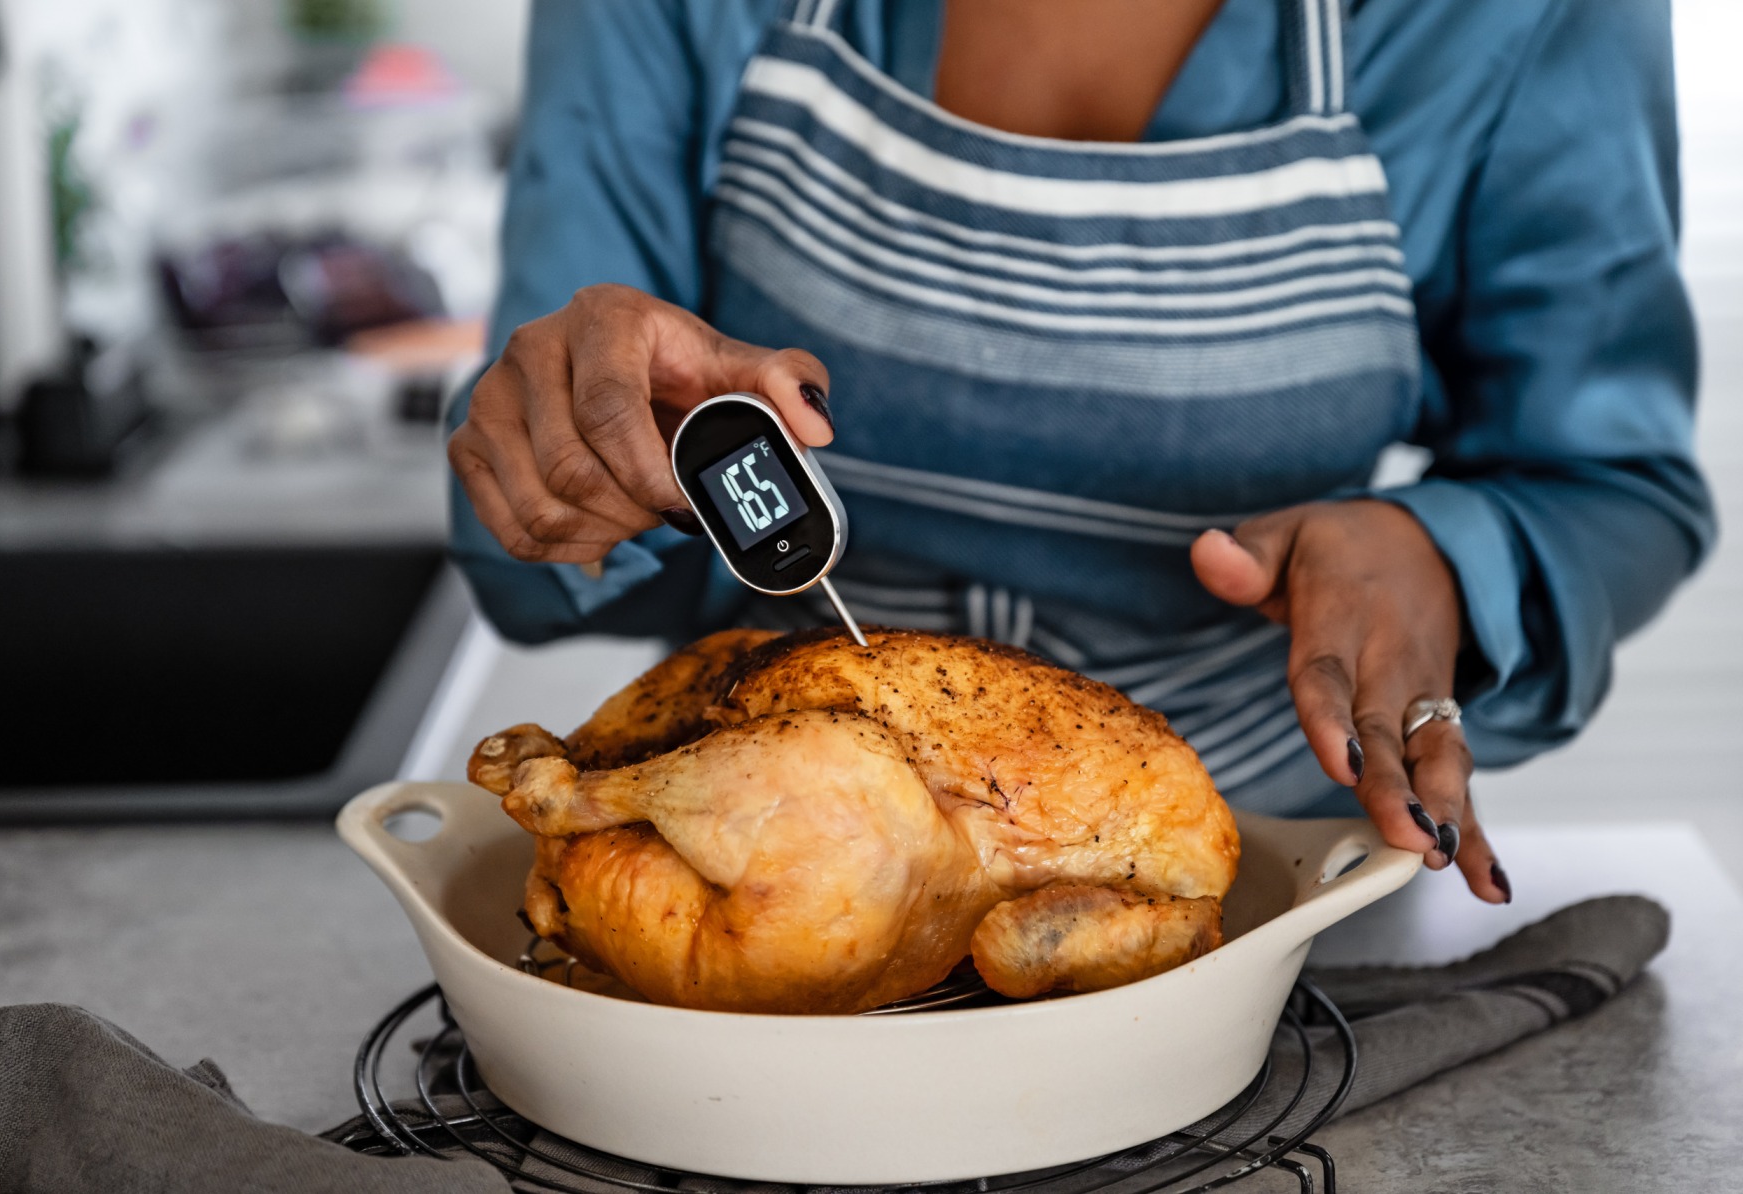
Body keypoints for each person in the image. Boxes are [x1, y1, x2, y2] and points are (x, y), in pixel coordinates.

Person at [444, 0, 1714, 905]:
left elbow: (1611, 483)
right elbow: (534, 542)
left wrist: (1432, 555)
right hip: (773, 871)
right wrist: (567, 451)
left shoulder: (1528, 18)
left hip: (1271, 893)